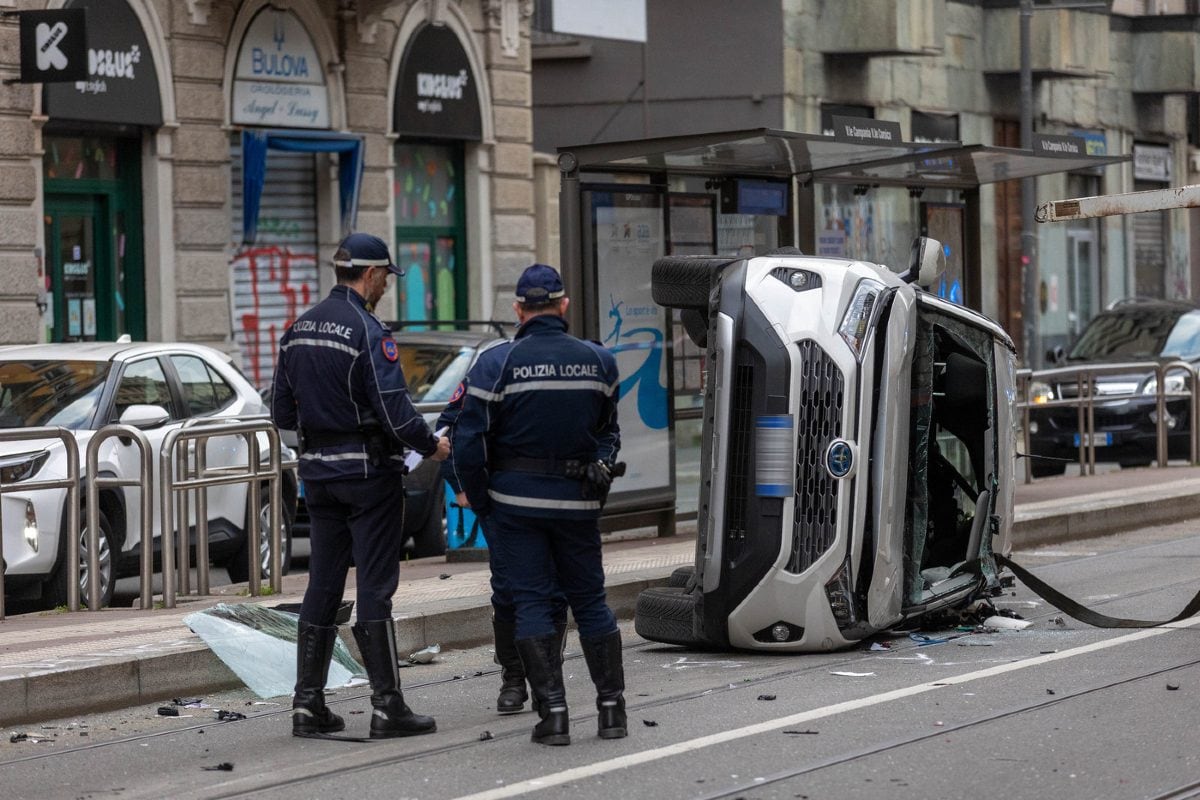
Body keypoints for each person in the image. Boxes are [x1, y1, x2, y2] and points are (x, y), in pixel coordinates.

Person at [271, 232, 450, 740]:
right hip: (370, 478)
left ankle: (307, 705)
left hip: (318, 478)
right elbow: (396, 413)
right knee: (375, 588)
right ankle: (387, 706)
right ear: (370, 275)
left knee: (322, 584)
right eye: (385, 280)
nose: (385, 290)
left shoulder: (298, 329)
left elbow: (282, 411)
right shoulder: (369, 331)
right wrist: (431, 445)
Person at [451, 263, 626, 746]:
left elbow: (468, 443)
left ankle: (553, 716)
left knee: (529, 602)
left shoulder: (496, 363)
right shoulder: (600, 361)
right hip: (578, 506)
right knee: (591, 602)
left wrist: (485, 501)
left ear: (518, 309)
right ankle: (613, 712)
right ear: (563, 306)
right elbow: (608, 431)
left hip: (515, 504)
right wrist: (599, 471)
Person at [436, 379, 569, 717]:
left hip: (557, 495)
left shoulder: (566, 366)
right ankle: (513, 677)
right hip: (503, 498)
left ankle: (548, 679)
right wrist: (459, 485)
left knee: (554, 587)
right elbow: (450, 427)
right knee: (509, 586)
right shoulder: (494, 370)